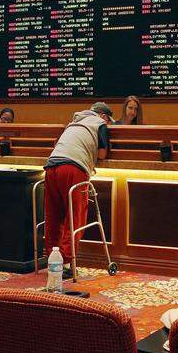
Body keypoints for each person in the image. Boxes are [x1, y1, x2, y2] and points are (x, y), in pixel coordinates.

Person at [43, 102, 112, 275]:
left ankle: (52, 260)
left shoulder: (72, 123)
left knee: (53, 215)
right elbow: (102, 154)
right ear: (104, 116)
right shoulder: (100, 124)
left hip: (51, 167)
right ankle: (66, 263)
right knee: (75, 216)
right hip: (74, 168)